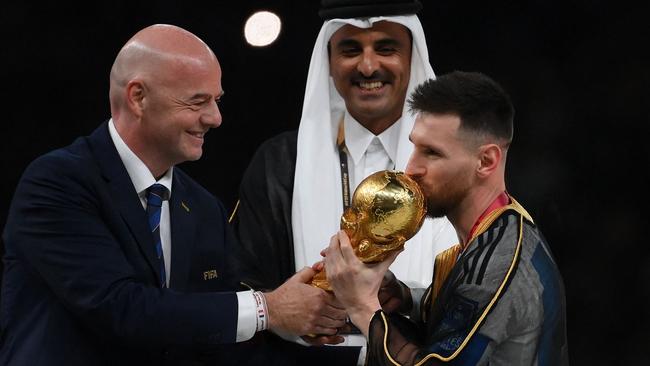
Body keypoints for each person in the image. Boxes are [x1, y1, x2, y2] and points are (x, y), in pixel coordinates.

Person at [0, 24, 347, 366]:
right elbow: (119, 308)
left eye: (217, 100)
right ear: (138, 97)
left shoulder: (203, 208)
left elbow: (221, 338)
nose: (215, 118)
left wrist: (365, 353)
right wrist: (267, 309)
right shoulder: (57, 182)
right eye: (198, 101)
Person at [232, 1, 457, 363]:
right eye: (350, 50)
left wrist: (403, 296)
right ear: (329, 62)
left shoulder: (448, 164)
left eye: (386, 48)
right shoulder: (279, 161)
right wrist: (280, 310)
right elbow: (240, 279)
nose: (368, 66)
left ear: (412, 57)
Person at [324, 71, 569, 365]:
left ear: (485, 161)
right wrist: (402, 296)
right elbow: (457, 319)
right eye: (415, 146)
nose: (411, 168)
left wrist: (362, 306)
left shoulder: (498, 264)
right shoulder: (498, 227)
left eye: (432, 153)